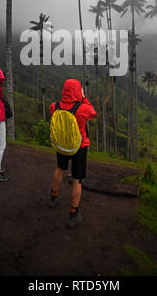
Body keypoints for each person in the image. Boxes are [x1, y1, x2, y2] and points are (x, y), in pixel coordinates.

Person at [49, 78, 96, 228]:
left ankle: (53, 198)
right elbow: (93, 113)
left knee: (59, 168)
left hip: (62, 145)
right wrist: (83, 97)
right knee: (77, 179)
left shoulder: (54, 106)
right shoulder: (82, 108)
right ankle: (73, 214)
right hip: (79, 147)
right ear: (78, 90)